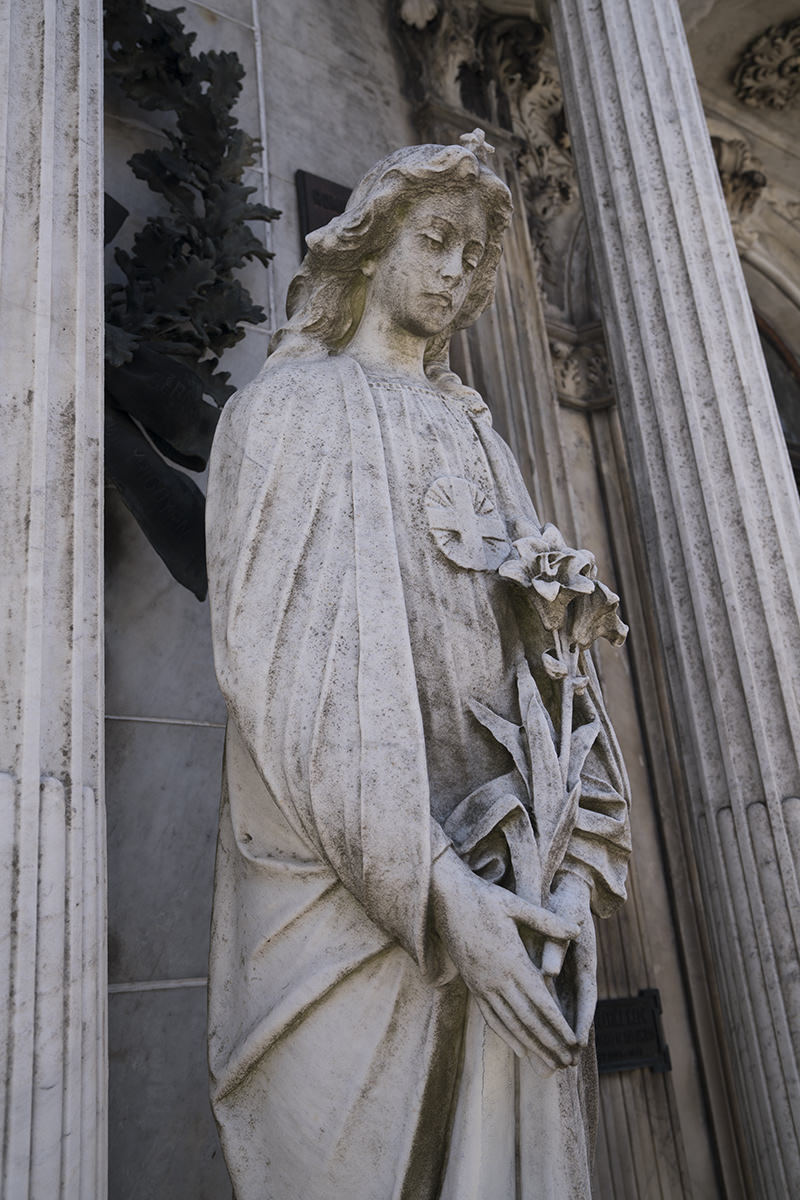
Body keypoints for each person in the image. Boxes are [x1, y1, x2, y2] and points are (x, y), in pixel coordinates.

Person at [205, 131, 631, 1199]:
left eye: (472, 259)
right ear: (368, 245)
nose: (452, 273)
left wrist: (569, 876)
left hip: (512, 886)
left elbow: (555, 682)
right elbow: (284, 688)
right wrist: (442, 899)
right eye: (433, 241)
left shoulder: (482, 441)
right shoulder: (283, 413)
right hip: (354, 903)